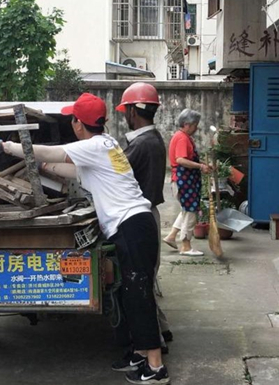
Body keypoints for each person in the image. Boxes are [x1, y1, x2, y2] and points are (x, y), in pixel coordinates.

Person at [0, 93, 170, 384]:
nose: (71, 123)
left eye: (72, 118)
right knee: (128, 294)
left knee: (138, 293)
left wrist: (5, 146)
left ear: (78, 123)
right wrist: (41, 168)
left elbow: (52, 153)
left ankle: (156, 367)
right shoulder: (106, 146)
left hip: (132, 226)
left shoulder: (93, 146)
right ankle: (140, 353)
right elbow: (69, 169)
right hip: (134, 225)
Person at [115, 82, 173, 355]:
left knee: (141, 284)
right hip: (149, 215)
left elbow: (113, 175)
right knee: (148, 280)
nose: (124, 114)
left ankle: (153, 344)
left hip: (139, 218)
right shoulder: (154, 139)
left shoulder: (140, 144)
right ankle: (162, 329)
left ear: (132, 111)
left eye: (126, 109)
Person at [163, 109, 211, 256]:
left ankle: (171, 236)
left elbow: (189, 158)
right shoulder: (182, 138)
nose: (196, 128)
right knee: (191, 212)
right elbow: (181, 160)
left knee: (187, 210)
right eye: (195, 125)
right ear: (187, 124)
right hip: (184, 180)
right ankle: (186, 245)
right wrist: (200, 166)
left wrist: (203, 163)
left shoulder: (183, 137)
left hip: (184, 180)